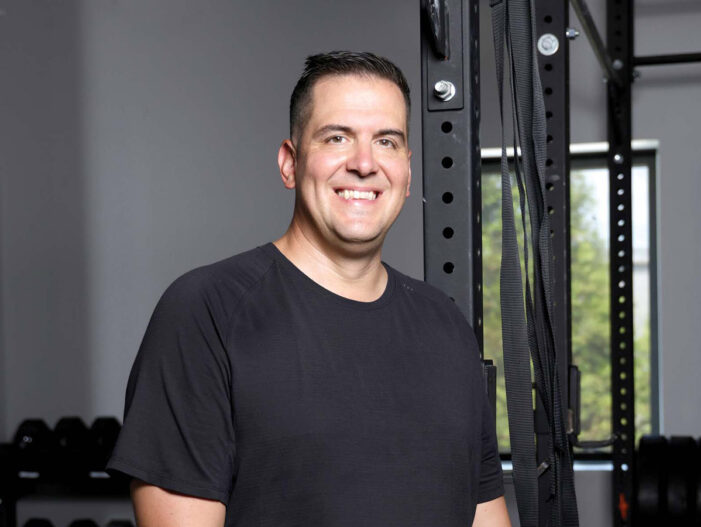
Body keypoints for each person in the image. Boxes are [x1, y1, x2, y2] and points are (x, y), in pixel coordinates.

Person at [107, 51, 510, 527]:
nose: (364, 164)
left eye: (386, 141)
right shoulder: (206, 311)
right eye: (337, 138)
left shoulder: (446, 325)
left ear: (407, 174)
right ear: (290, 163)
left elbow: (485, 516)